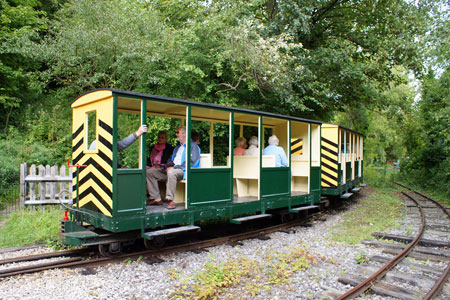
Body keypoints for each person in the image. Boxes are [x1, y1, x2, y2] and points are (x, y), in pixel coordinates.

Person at [146, 127, 200, 209]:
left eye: (178, 132)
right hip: (172, 169)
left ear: (184, 134)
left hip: (184, 170)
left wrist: (174, 167)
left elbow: (192, 162)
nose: (176, 134)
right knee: (150, 172)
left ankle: (171, 200)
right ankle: (156, 198)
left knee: (171, 172)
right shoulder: (177, 147)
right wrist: (165, 166)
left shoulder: (193, 146)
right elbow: (171, 160)